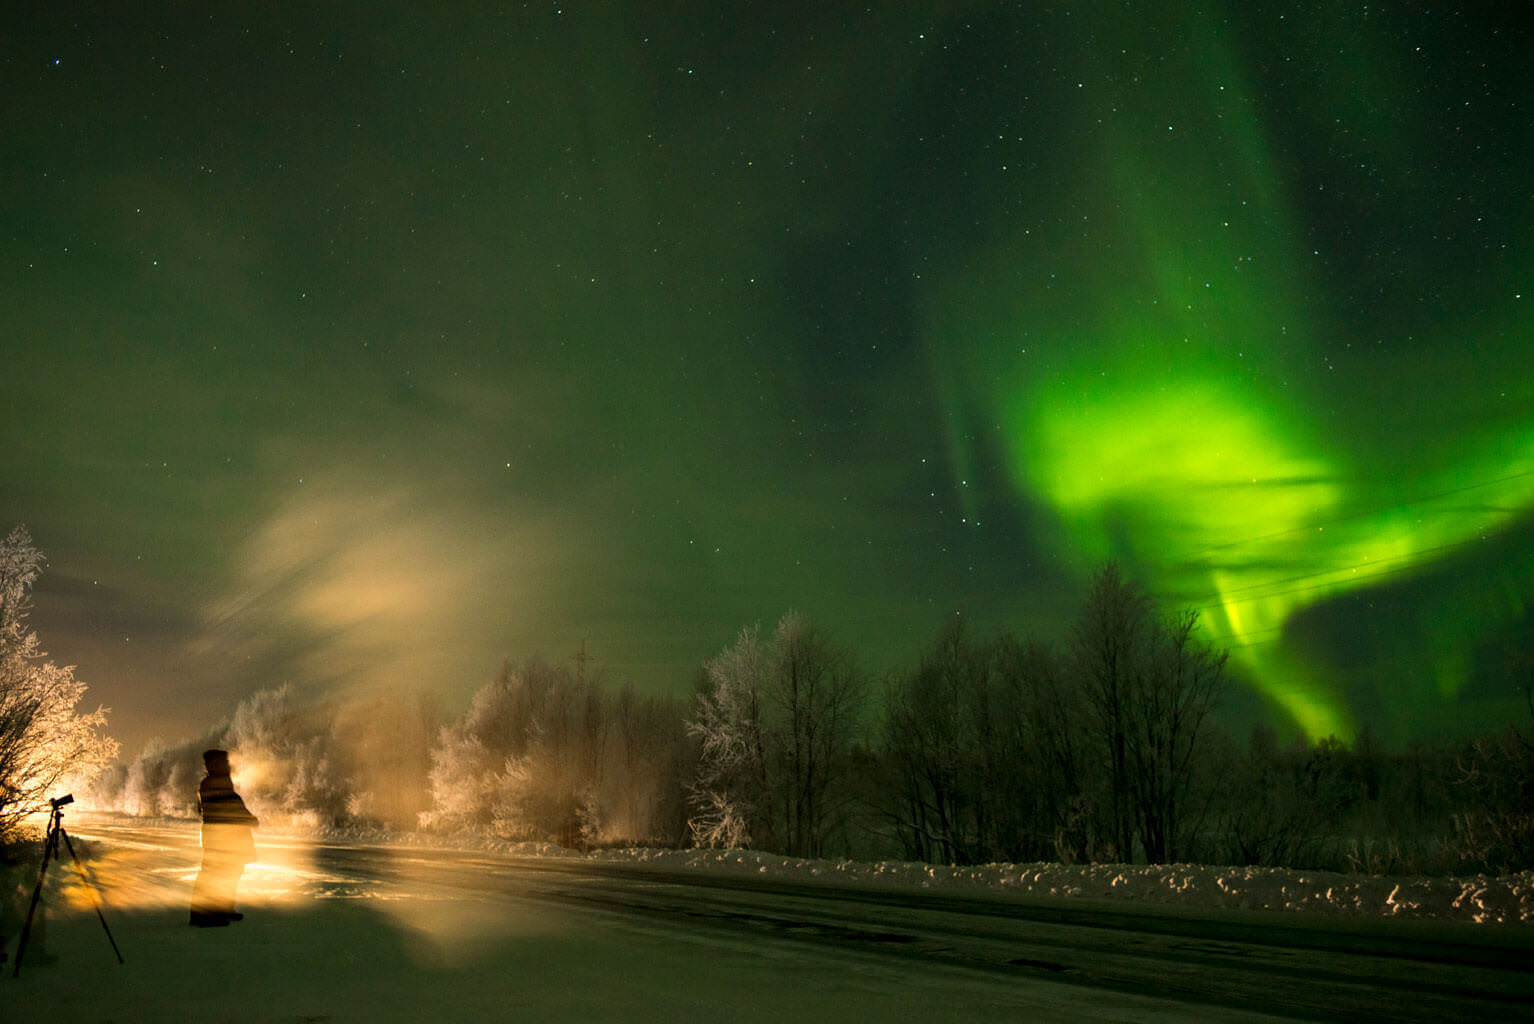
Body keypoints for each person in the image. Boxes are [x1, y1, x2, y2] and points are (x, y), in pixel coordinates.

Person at [189, 748, 259, 927]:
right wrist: (247, 818)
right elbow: (228, 805)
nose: (227, 765)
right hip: (221, 838)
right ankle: (202, 914)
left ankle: (223, 908)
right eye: (223, 762)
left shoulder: (219, 782)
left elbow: (231, 803)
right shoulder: (211, 784)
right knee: (215, 874)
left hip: (228, 837)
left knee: (230, 872)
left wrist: (245, 817)